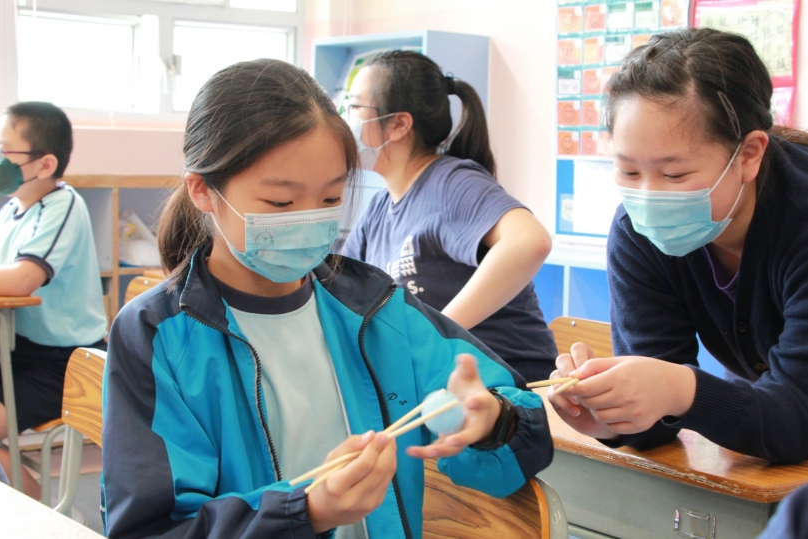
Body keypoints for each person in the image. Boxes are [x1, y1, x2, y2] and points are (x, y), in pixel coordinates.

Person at [101, 59, 553, 539]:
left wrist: (493, 422)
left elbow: (518, 416)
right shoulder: (157, 336)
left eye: (331, 199)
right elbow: (150, 529)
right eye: (280, 203)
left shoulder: (375, 308)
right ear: (203, 191)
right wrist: (306, 512)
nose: (308, 220)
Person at [548, 27, 808, 464]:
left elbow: (797, 416)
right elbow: (657, 415)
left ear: (748, 155)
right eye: (629, 172)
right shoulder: (637, 233)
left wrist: (679, 389)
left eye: (674, 175)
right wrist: (612, 416)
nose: (648, 197)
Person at [341, 51, 558, 382]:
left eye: (354, 107)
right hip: (440, 384)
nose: (344, 119)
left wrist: (435, 333)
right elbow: (338, 288)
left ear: (399, 124)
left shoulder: (452, 182)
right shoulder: (378, 208)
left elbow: (530, 241)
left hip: (507, 385)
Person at [0, 102, 107, 497]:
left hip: (61, 362)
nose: (0, 159)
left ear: (45, 164)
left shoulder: (63, 205)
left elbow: (22, 280)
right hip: (16, 351)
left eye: (5, 151)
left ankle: (34, 512)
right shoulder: (12, 210)